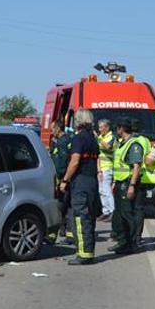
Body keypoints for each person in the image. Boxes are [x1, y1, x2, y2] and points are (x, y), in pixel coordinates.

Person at [59, 109, 100, 265]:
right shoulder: (92, 138)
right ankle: (87, 251)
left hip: (81, 182)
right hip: (92, 180)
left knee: (81, 217)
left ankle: (84, 254)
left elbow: (75, 161)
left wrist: (65, 180)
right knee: (89, 217)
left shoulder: (79, 138)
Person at [109, 118, 150, 255]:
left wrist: (132, 185)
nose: (116, 131)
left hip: (128, 183)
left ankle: (131, 243)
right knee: (121, 214)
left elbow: (136, 167)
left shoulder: (134, 145)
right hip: (121, 183)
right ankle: (123, 241)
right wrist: (115, 182)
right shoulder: (123, 143)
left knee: (128, 214)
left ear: (121, 129)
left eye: (117, 128)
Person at [49, 119, 73, 243]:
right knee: (61, 205)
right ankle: (62, 230)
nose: (51, 131)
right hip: (59, 178)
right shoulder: (56, 141)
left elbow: (63, 163)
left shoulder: (64, 142)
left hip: (64, 178)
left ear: (58, 128)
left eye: (53, 128)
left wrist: (63, 180)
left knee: (64, 206)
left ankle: (67, 234)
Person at [96, 119, 116, 222]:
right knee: (101, 191)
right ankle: (106, 211)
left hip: (108, 167)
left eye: (101, 127)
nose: (99, 130)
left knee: (107, 190)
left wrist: (98, 140)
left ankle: (113, 211)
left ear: (107, 128)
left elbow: (108, 147)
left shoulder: (111, 137)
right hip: (101, 167)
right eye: (98, 127)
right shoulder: (100, 137)